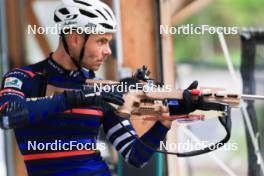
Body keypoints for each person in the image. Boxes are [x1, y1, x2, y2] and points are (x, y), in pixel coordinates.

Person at [0, 0, 198, 175]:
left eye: (109, 42)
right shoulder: (22, 78)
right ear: (75, 39)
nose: (107, 51)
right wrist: (78, 98)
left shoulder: (101, 89)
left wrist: (163, 123)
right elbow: (8, 116)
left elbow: (135, 156)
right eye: (101, 41)